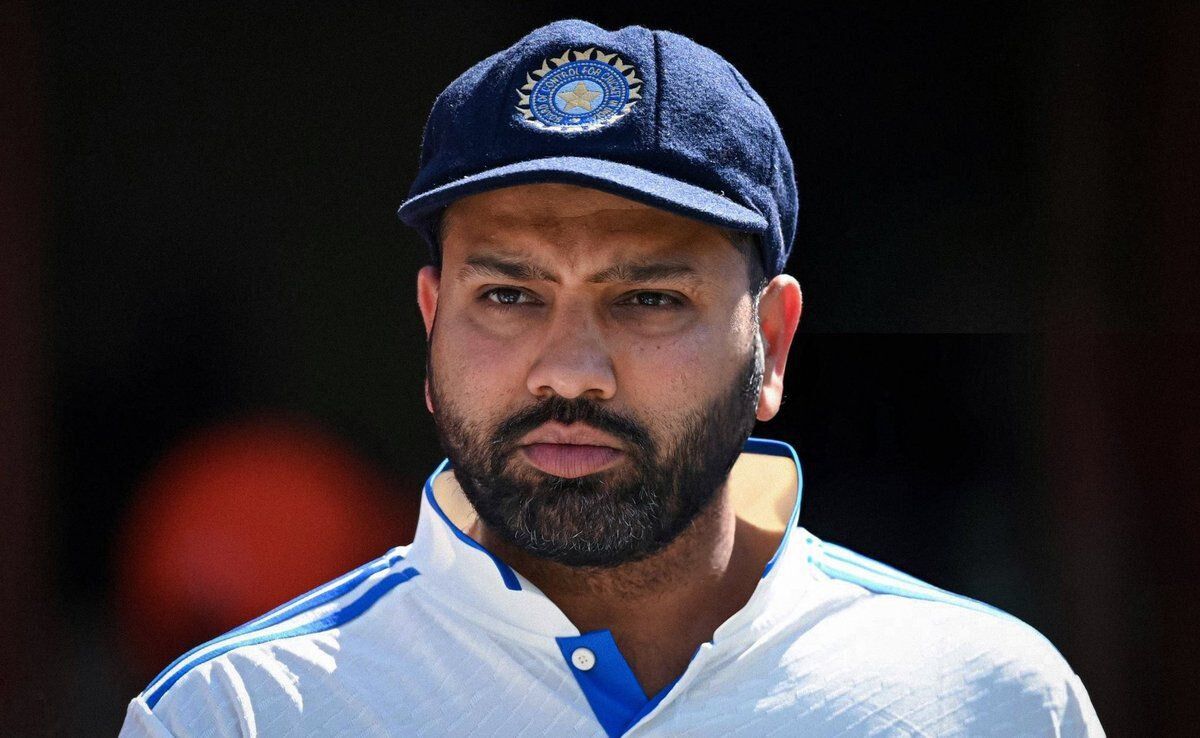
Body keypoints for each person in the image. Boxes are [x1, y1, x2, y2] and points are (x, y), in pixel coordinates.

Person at [120, 19, 1104, 737]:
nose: (571, 371)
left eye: (649, 299)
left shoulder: (988, 701)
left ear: (772, 344)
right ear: (432, 325)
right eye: (509, 295)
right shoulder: (240, 714)